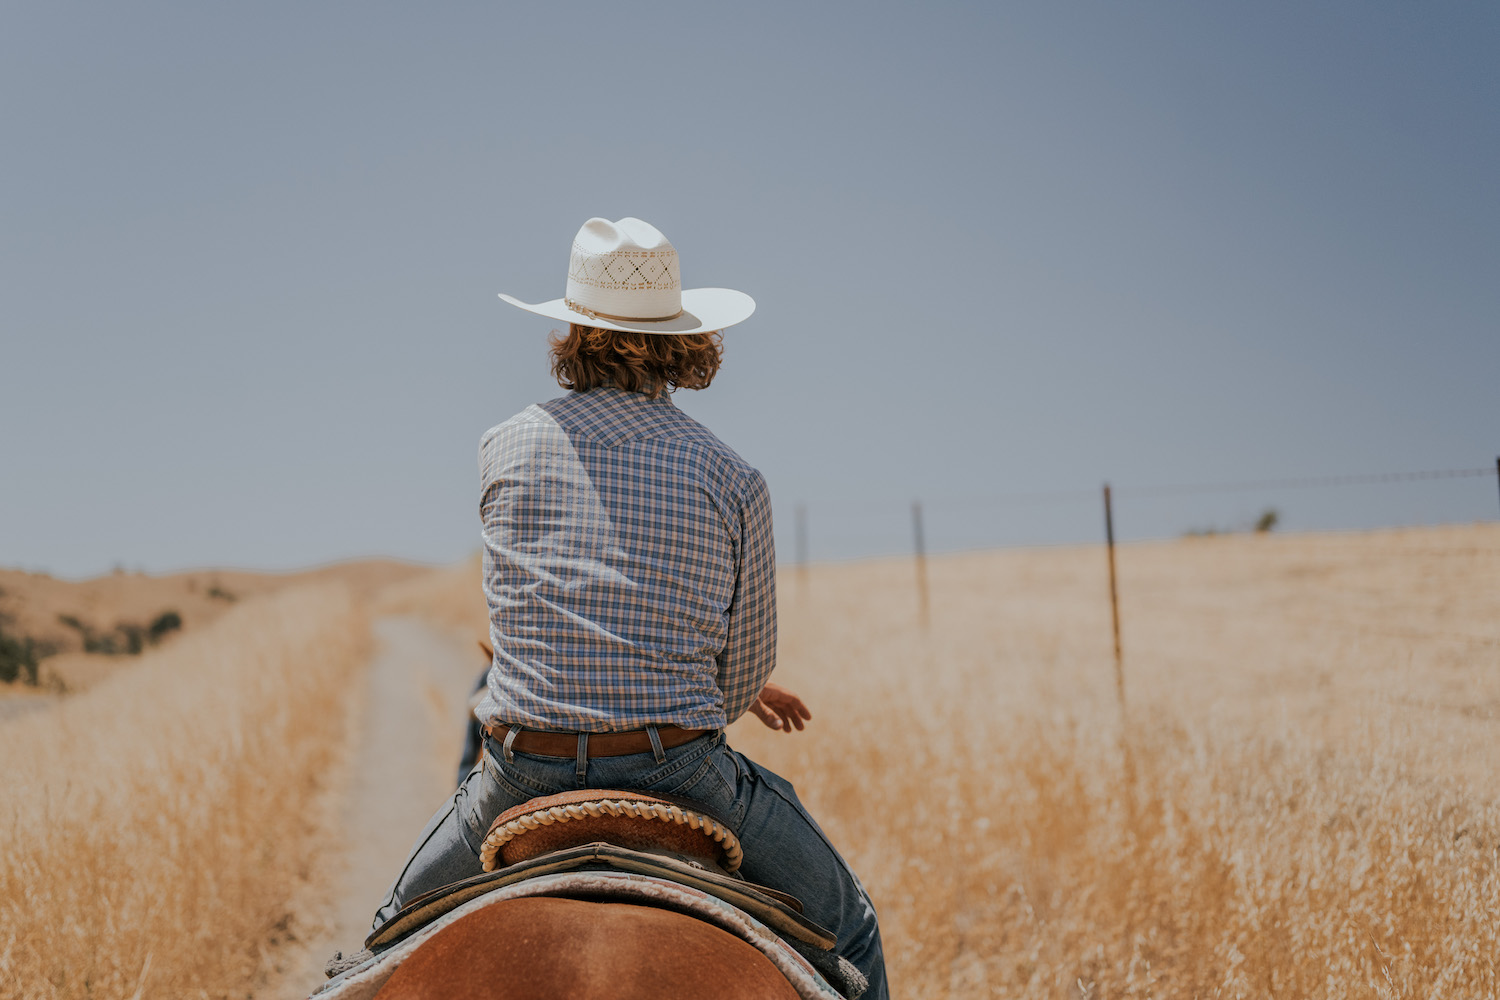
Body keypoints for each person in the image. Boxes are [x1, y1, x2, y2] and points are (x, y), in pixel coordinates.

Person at [367, 217, 887, 997]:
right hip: (680, 769)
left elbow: (528, 608)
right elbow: (742, 678)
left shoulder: (502, 447)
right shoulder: (732, 475)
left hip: (520, 772)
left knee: (380, 944)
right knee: (854, 931)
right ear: (685, 339)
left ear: (573, 327)